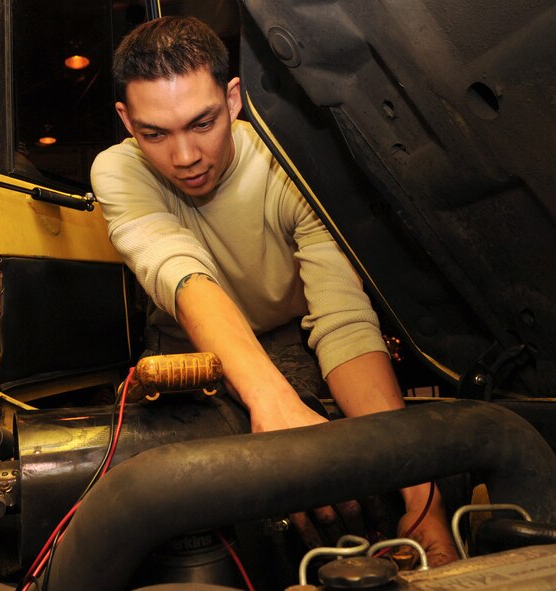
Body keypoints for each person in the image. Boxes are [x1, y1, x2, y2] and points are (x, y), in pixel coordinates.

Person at [91, 15, 458, 567]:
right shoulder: (117, 170)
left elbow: (341, 318)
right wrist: (269, 405)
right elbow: (182, 271)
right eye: (155, 134)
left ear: (234, 98)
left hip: (289, 342)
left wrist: (420, 498)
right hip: (182, 349)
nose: (186, 156)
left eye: (203, 122)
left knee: (332, 484)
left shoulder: (287, 163)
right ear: (126, 120)